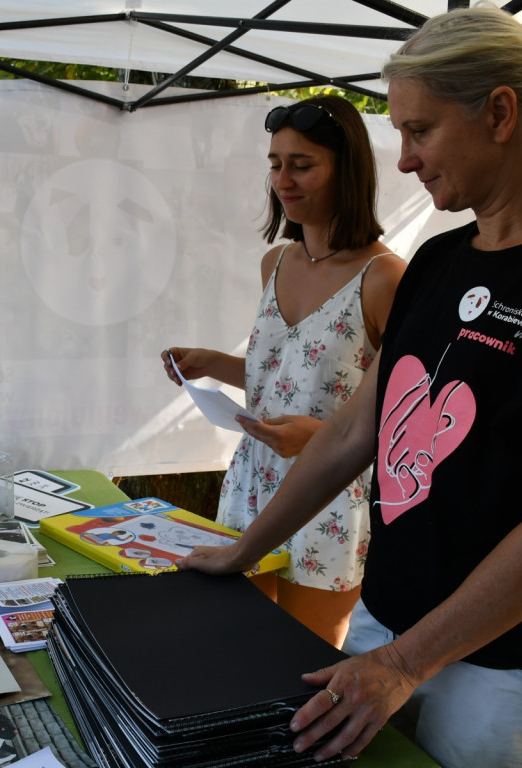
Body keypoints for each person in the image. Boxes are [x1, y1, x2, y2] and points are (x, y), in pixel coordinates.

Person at [178, 5, 522, 767]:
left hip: (506, 667)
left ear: (501, 114)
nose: (405, 160)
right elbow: (354, 430)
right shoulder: (442, 261)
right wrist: (244, 552)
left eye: (420, 130)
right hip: (389, 628)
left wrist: (407, 663)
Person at [162, 94, 406, 647]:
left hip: (330, 494)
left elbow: (403, 416)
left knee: (300, 662)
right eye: (275, 163)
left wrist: (319, 439)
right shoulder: (275, 261)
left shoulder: (386, 277)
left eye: (302, 164)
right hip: (252, 481)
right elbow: (288, 375)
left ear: (348, 171)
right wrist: (213, 365)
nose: (283, 179)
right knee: (236, 647)